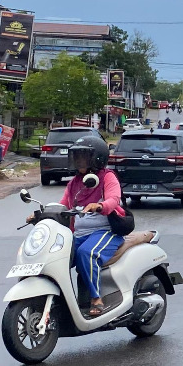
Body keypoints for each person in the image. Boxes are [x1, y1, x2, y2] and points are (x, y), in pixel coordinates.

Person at [57, 133, 128, 317]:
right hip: (79, 234)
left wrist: (100, 206)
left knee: (86, 253)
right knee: (55, 255)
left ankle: (96, 298)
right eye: (77, 156)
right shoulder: (74, 183)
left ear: (97, 158)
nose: (79, 160)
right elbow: (62, 205)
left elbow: (114, 199)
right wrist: (41, 213)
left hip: (106, 231)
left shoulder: (107, 177)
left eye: (83, 156)